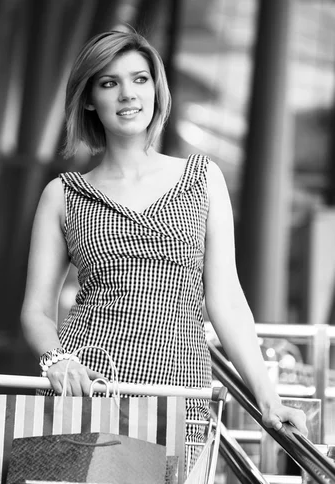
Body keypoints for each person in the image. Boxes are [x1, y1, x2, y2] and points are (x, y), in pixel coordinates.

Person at [20, 29, 308, 437]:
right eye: (109, 83)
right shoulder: (63, 194)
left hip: (177, 391)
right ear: (88, 98)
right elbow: (36, 312)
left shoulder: (202, 178)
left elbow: (226, 300)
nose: (127, 94)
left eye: (140, 79)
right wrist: (58, 360)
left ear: (156, 90)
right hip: (88, 387)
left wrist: (269, 400)